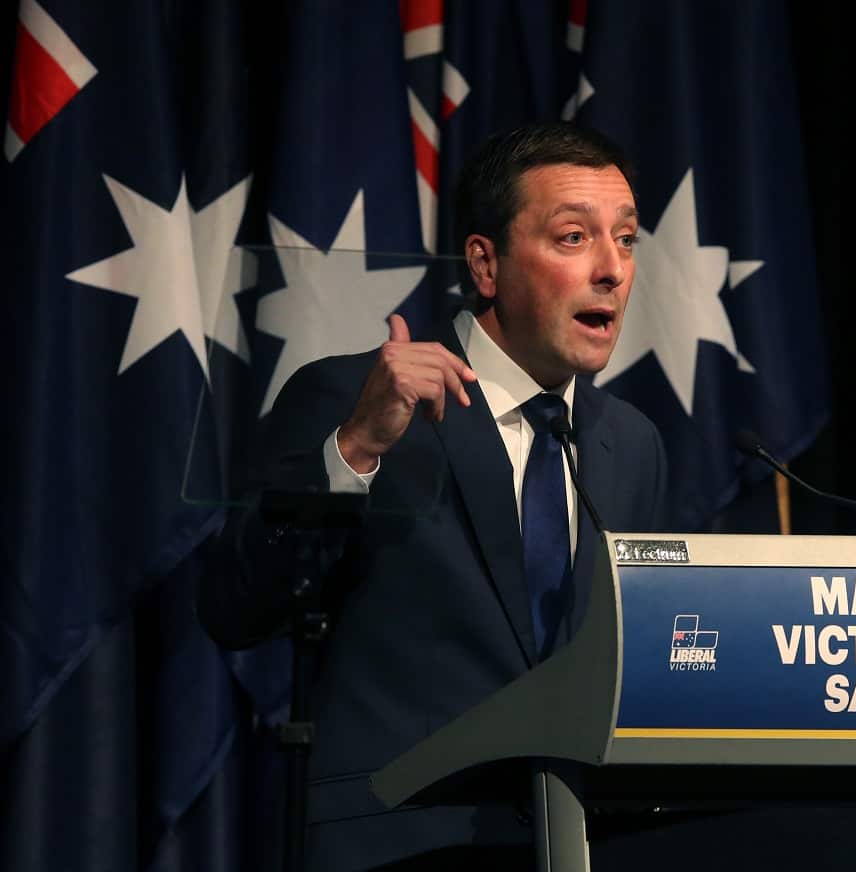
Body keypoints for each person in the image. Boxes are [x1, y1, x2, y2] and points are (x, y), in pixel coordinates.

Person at [198, 122, 668, 872]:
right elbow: (234, 604)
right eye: (574, 238)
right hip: (398, 842)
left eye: (627, 238)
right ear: (485, 263)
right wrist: (354, 449)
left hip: (579, 846)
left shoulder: (630, 444)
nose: (612, 269)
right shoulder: (356, 399)